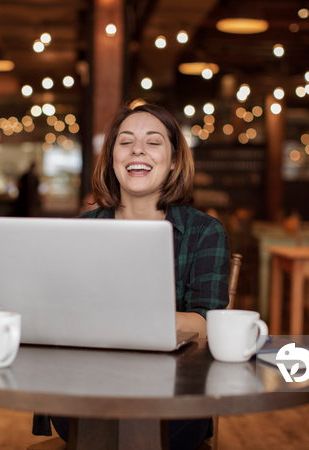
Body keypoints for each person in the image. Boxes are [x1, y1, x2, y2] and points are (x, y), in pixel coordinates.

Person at [43, 102, 231, 450]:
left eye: (154, 141)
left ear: (174, 159)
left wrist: (111, 321)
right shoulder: (82, 229)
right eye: (125, 141)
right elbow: (59, 317)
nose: (138, 150)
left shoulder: (205, 232)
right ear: (113, 157)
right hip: (87, 390)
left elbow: (209, 326)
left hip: (175, 400)